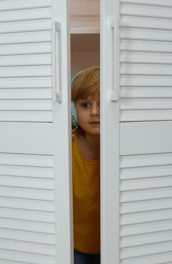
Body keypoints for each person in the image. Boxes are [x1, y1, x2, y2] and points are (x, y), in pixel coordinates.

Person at [71, 66, 101, 264]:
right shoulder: (67, 146)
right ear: (74, 109)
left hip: (114, 245)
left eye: (101, 104)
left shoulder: (124, 148)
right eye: (85, 105)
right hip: (75, 246)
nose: (95, 112)